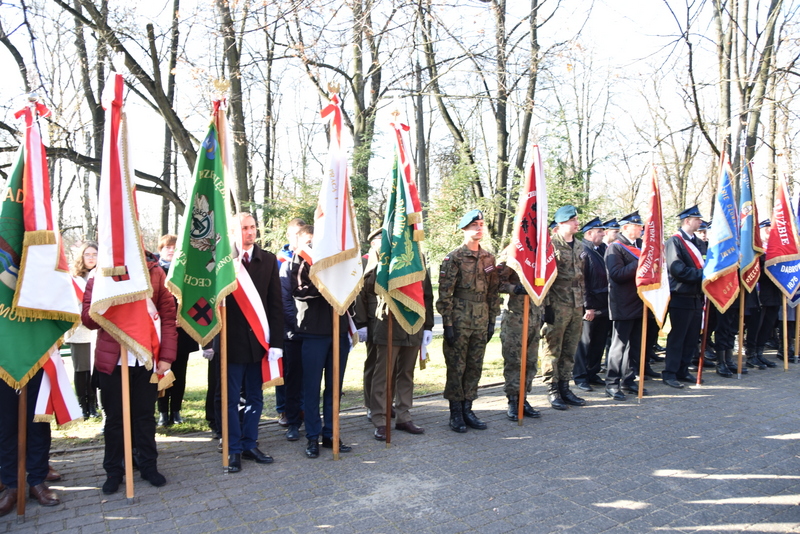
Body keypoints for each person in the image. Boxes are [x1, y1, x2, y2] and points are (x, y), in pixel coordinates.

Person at [81, 249, 178, 494]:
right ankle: (113, 470)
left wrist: (166, 357)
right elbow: (88, 320)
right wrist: (109, 299)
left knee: (144, 417)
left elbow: (167, 317)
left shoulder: (155, 272)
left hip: (146, 359)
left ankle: (148, 465)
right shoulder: (101, 274)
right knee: (115, 419)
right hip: (113, 361)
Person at [218, 213, 284, 472]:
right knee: (232, 398)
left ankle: (249, 443)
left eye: (252, 227)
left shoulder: (267, 260)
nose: (249, 232)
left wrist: (276, 342)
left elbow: (275, 304)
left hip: (258, 342)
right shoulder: (223, 261)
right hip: (231, 343)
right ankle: (233, 448)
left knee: (255, 398)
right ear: (234, 231)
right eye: (244, 228)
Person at [291, 224, 354, 457]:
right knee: (311, 388)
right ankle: (312, 437)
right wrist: (325, 283)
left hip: (338, 332)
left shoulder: (339, 259)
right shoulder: (301, 259)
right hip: (313, 332)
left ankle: (331, 434)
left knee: (335, 388)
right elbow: (298, 290)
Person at [436, 209, 500, 432]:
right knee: (456, 367)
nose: (479, 228)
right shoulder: (453, 258)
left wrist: (492, 320)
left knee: (474, 367)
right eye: (475, 225)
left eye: (482, 224)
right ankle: (455, 412)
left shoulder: (489, 258)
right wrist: (448, 324)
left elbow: (493, 291)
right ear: (464, 229)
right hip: (460, 320)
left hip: (481, 321)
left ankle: (468, 409)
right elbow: (445, 294)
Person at [365, 262, 434, 440]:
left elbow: (427, 294)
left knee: (406, 373)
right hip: (389, 322)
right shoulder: (386, 255)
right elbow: (371, 287)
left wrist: (428, 326)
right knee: (383, 375)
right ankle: (380, 419)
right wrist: (383, 264)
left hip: (413, 323)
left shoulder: (418, 257)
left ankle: (404, 416)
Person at [541, 205, 586, 410]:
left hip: (576, 304)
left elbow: (582, 277)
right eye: (572, 220)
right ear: (560, 223)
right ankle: (552, 389)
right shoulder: (549, 245)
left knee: (570, 348)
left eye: (576, 219)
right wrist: (546, 306)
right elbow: (543, 278)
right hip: (557, 303)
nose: (577, 223)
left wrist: (583, 303)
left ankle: (565, 386)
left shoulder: (579, 246)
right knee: (552, 348)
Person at [604, 211, 652, 400]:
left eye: (641, 226)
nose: (641, 229)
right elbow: (617, 274)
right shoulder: (615, 248)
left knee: (636, 345)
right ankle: (612, 383)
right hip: (623, 303)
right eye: (637, 226)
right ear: (625, 228)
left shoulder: (640, 246)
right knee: (620, 345)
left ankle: (629, 379)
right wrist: (641, 262)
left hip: (640, 302)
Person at [0, 368, 60, 515]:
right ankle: (12, 486)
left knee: (38, 423)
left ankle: (37, 481)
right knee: (7, 427)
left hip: (37, 360)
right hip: (4, 363)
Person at [156, 234, 198, 427]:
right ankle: (163, 412)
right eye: (167, 248)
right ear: (160, 250)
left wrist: (186, 318)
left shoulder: (187, 271)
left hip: (182, 330)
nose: (171, 250)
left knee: (180, 373)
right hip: (162, 331)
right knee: (163, 372)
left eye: (174, 247)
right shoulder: (155, 271)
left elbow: (196, 297)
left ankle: (176, 411)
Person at [663, 205, 705, 388]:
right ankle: (670, 372)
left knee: (691, 336)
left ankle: (683, 369)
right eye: (697, 220)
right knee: (678, 336)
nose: (700, 222)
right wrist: (703, 275)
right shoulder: (675, 241)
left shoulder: (699, 242)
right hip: (681, 295)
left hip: (697, 296)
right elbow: (676, 269)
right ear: (687, 221)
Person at [497, 252, 541, 421]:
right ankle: (513, 400)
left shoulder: (541, 253)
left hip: (535, 314)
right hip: (516, 316)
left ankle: (524, 398)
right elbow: (497, 282)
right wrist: (514, 288)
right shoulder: (513, 252)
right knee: (515, 360)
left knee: (530, 361)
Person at [275, 218, 306, 427]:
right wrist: (293, 323)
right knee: (285, 370)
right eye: (294, 234)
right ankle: (283, 409)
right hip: (286, 326)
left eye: (300, 234)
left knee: (302, 371)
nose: (297, 238)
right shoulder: (279, 260)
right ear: (288, 236)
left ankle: (301, 408)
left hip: (306, 327)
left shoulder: (309, 257)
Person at [573, 217, 610, 392]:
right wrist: (587, 306)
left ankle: (592, 372)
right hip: (590, 305)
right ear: (589, 233)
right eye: (600, 231)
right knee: (585, 343)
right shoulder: (583, 251)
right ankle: (580, 376)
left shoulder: (603, 249)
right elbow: (583, 282)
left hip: (605, 304)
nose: (603, 234)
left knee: (599, 342)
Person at [68, 241, 99, 419]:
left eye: (94, 254)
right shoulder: (73, 278)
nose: (91, 258)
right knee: (82, 369)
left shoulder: (102, 275)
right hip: (78, 328)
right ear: (81, 257)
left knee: (95, 368)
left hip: (96, 328)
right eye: (87, 254)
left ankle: (94, 404)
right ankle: (83, 404)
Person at [355, 229, 382, 422]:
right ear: (373, 243)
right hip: (373, 320)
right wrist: (361, 323)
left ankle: (385, 402)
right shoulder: (364, 261)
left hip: (392, 320)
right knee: (373, 363)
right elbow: (359, 294)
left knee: (391, 365)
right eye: (382, 239)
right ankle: (371, 404)